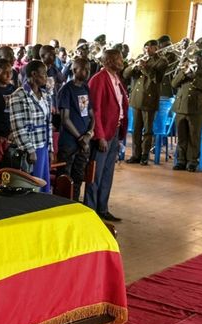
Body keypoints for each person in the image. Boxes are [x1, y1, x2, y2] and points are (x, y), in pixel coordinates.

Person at [85, 49, 128, 222]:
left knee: (108, 173)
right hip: (103, 133)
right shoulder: (99, 80)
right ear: (109, 61)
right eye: (118, 58)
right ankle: (91, 210)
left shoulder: (116, 78)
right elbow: (95, 110)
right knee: (96, 173)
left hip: (114, 131)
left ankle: (102, 207)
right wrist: (100, 135)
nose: (122, 61)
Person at [8, 60, 54, 192]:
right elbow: (18, 127)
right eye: (44, 74)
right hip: (30, 149)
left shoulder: (45, 95)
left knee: (43, 184)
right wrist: (30, 150)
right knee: (31, 186)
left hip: (43, 147)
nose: (46, 77)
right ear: (34, 74)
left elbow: (48, 123)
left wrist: (50, 148)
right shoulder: (19, 95)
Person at [171, 50, 202, 172]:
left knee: (194, 136)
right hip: (181, 107)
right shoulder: (186, 69)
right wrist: (183, 73)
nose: (196, 60)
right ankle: (181, 160)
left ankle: (192, 161)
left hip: (198, 109)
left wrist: (194, 77)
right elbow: (174, 83)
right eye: (195, 58)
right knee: (181, 136)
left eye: (199, 58)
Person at [123, 40, 168, 165]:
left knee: (147, 130)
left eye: (150, 48)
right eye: (145, 47)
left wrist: (145, 67)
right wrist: (133, 66)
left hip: (149, 99)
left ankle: (144, 155)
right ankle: (135, 155)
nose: (147, 50)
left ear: (156, 48)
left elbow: (157, 79)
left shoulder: (162, 61)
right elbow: (126, 74)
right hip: (136, 99)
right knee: (136, 129)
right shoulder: (140, 58)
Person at [57, 57, 94, 201]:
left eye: (88, 70)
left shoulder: (85, 88)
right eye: (83, 69)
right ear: (74, 70)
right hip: (70, 142)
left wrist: (89, 134)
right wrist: (80, 138)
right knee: (65, 178)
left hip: (84, 141)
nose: (86, 72)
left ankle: (74, 203)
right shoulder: (66, 89)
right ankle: (61, 205)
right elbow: (65, 119)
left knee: (79, 176)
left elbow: (91, 115)